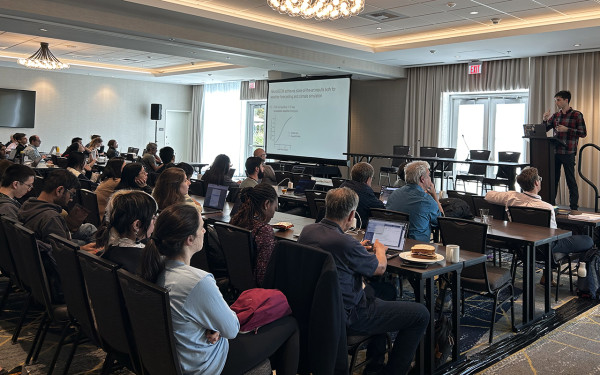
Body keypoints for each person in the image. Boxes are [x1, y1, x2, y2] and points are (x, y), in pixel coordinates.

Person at [140, 203, 299, 375]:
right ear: (189, 239)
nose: (205, 232)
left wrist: (212, 326)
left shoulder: (155, 269)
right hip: (206, 364)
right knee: (290, 324)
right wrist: (217, 326)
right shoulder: (197, 281)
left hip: (178, 358)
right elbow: (231, 329)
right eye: (201, 228)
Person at [298, 188, 429, 374]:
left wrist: (357, 248)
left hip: (316, 309)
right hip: (350, 314)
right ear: (352, 214)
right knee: (421, 314)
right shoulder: (345, 243)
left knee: (385, 291)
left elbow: (336, 254)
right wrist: (380, 250)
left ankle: (374, 363)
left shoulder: (308, 231)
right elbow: (380, 268)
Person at [485, 167, 593, 257]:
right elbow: (553, 235)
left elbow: (488, 195)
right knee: (588, 240)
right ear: (536, 182)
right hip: (545, 247)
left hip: (521, 244)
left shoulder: (510, 197)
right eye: (540, 179)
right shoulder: (547, 207)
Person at [19, 169, 97, 246]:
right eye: (71, 194)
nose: (71, 199)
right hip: (56, 253)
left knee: (88, 228)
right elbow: (63, 253)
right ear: (59, 190)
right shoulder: (52, 218)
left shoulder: (27, 203)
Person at [542, 90, 587, 210]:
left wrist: (567, 129)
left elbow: (583, 133)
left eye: (558, 100)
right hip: (555, 152)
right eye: (555, 100)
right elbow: (544, 130)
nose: (556, 102)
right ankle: (551, 206)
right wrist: (545, 119)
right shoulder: (556, 116)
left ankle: (574, 207)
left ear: (566, 100)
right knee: (553, 180)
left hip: (568, 152)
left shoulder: (577, 115)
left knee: (570, 180)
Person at [96, 190, 158, 273]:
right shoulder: (146, 259)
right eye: (153, 218)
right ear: (137, 225)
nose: (155, 222)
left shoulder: (110, 249)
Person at [230, 183, 278, 286]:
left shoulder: (237, 220)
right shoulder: (264, 230)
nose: (274, 215)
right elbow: (262, 276)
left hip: (234, 281)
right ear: (266, 204)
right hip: (255, 290)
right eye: (275, 208)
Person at [386, 161, 444, 242]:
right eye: (429, 175)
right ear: (422, 179)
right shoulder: (427, 200)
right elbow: (441, 223)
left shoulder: (394, 194)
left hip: (394, 242)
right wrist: (434, 195)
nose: (430, 179)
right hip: (417, 247)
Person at [340, 162, 384, 228]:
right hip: (358, 230)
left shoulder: (342, 187)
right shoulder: (366, 193)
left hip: (340, 227)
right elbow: (381, 211)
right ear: (368, 179)